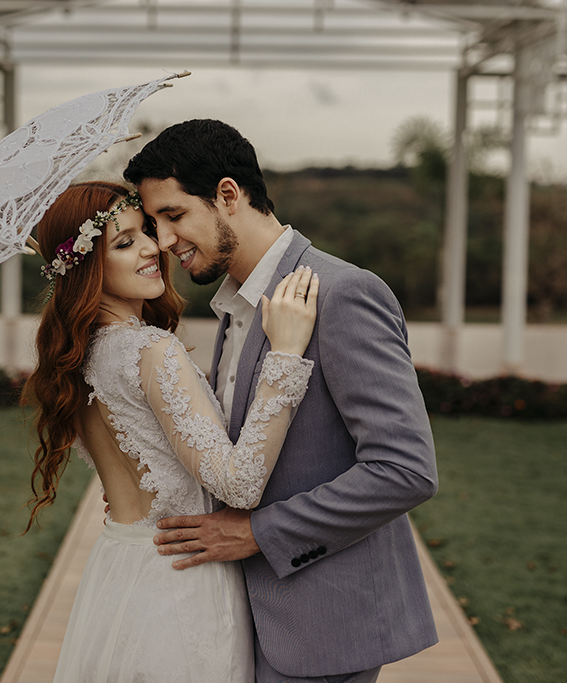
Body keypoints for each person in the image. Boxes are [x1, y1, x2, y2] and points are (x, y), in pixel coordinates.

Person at [124, 120, 440, 683]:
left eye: (173, 216)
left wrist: (255, 534)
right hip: (242, 620)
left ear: (228, 195)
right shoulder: (234, 305)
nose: (164, 241)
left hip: (321, 625)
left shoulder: (342, 294)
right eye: (153, 224)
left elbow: (405, 471)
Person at [20, 180, 320, 682]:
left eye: (147, 232)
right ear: (86, 267)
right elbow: (240, 484)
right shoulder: (151, 352)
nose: (152, 249)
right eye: (123, 242)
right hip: (181, 583)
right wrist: (286, 356)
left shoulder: (77, 358)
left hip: (118, 570)